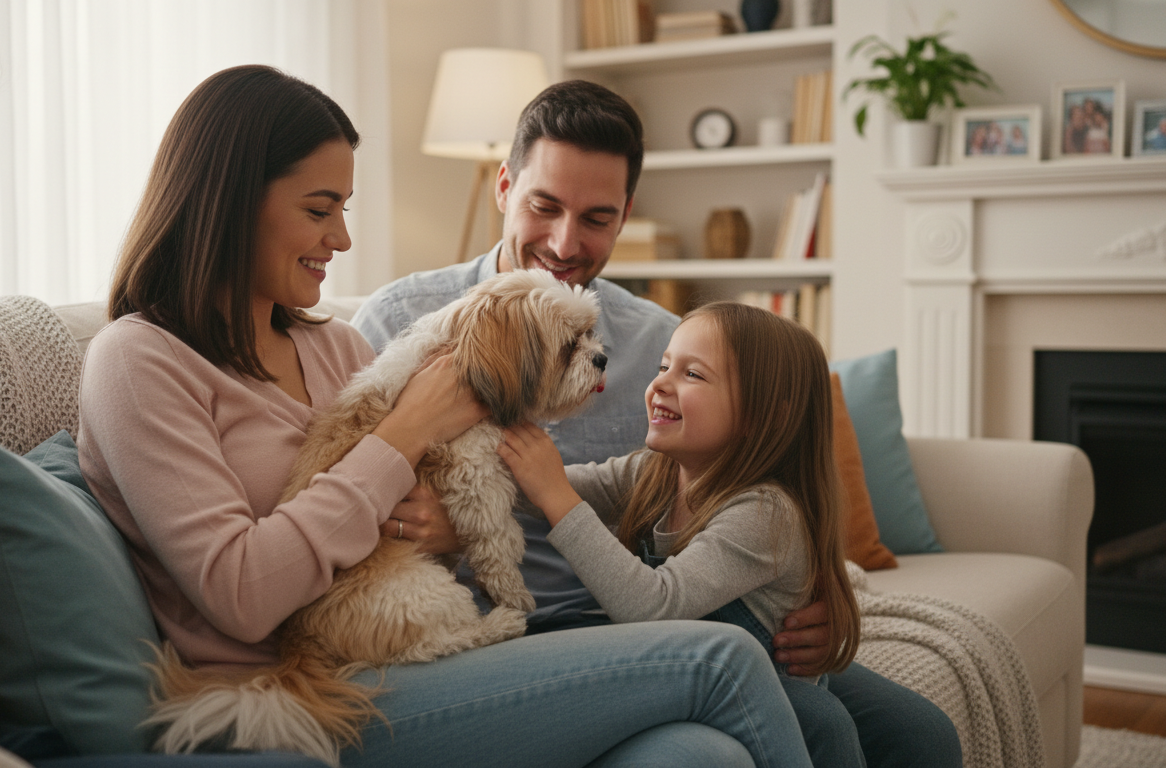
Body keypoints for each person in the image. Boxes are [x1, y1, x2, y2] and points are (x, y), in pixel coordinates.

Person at [78, 63, 816, 768]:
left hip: (445, 638)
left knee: (702, 757)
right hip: (314, 685)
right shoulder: (138, 362)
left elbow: (424, 522)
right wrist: (407, 433)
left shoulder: (334, 346)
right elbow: (245, 593)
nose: (342, 239)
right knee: (721, 659)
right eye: (319, 209)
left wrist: (445, 531)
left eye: (344, 209)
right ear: (231, 202)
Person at [351, 78, 963, 768]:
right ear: (503, 186)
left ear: (626, 214)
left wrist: (821, 601)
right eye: (544, 206)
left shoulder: (665, 347)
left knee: (921, 734)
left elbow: (750, 490)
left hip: (659, 616)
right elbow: (336, 486)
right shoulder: (398, 323)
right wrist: (440, 524)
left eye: (596, 218)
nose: (563, 242)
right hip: (511, 634)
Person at [501, 302, 866, 768]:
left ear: (764, 417)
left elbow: (653, 607)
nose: (658, 385)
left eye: (692, 375)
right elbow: (553, 487)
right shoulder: (657, 471)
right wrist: (493, 471)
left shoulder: (765, 512)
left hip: (765, 693)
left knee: (830, 722)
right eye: (663, 366)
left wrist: (555, 495)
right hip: (692, 679)